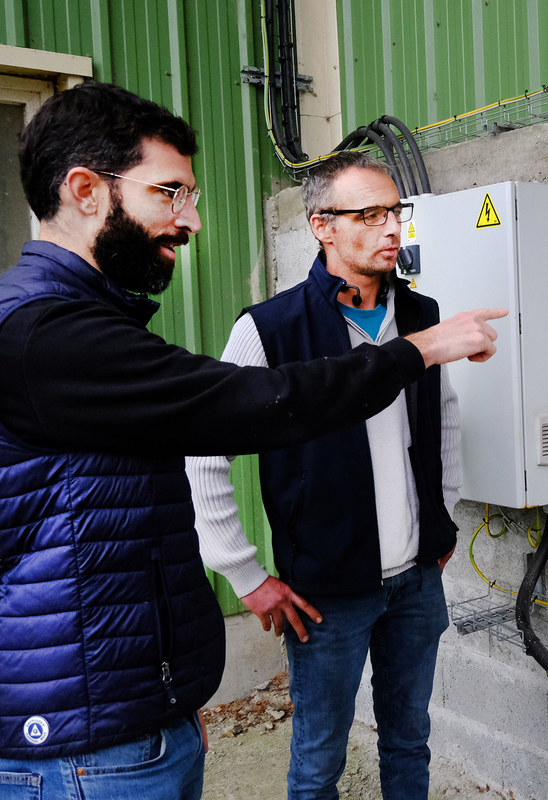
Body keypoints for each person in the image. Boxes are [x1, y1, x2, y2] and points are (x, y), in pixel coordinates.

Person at [0, 81, 504, 800]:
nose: (191, 220)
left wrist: (171, 707)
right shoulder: (47, 336)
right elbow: (244, 408)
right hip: (84, 745)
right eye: (170, 193)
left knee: (407, 733)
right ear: (85, 190)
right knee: (319, 756)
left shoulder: (75, 324)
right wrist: (416, 352)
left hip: (124, 717)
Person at [185, 151, 459, 800]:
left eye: (396, 211)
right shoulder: (269, 329)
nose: (391, 228)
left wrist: (440, 523)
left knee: (409, 740)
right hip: (327, 597)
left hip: (417, 584)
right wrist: (243, 574)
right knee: (317, 762)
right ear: (322, 226)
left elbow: (443, 422)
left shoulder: (422, 317)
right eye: (369, 214)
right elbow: (203, 452)